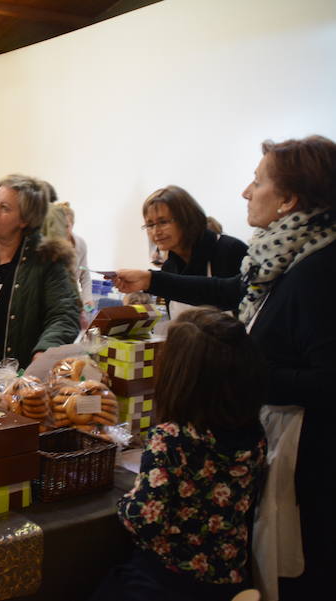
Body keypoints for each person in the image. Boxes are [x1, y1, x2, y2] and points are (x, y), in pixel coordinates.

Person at [113, 135, 336, 601]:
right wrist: (153, 279)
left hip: (308, 458)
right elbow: (233, 289)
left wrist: (236, 376)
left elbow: (326, 380)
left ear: (289, 200)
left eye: (257, 182)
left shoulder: (318, 272)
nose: (245, 192)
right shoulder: (286, 255)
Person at [92, 308, 266, 601]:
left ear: (178, 376)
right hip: (228, 580)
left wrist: (127, 501)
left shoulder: (170, 438)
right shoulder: (254, 434)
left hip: (167, 582)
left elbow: (144, 520)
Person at [0, 174, 80, 368]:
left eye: (4, 207)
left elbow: (64, 315)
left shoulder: (46, 258)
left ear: (25, 220)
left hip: (18, 374)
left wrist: (44, 352)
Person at [140, 185, 247, 318]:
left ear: (187, 219)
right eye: (150, 225)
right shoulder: (169, 267)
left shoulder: (230, 251)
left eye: (163, 222)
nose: (156, 231)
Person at [57, 202, 95, 316]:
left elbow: (84, 274)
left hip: (70, 299)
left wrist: (87, 298)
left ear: (72, 225)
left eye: (66, 226)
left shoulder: (80, 244)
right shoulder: (48, 245)